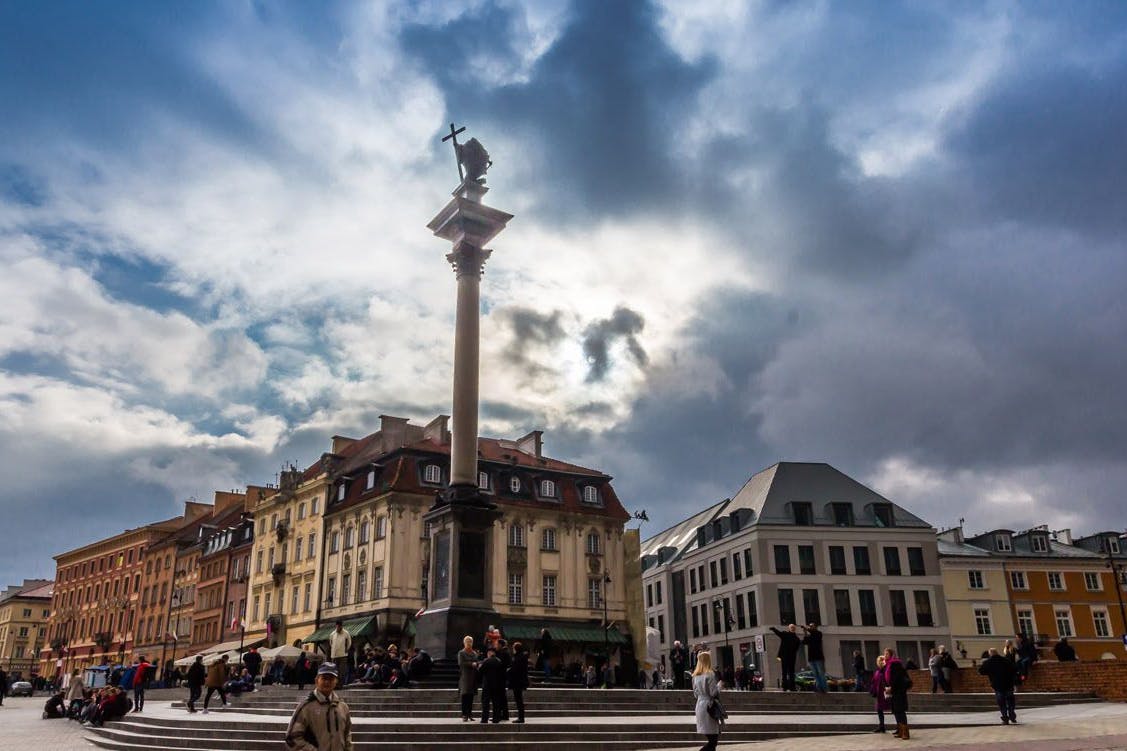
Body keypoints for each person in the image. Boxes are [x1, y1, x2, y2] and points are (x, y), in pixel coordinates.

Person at [285, 661, 352, 751]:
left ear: (336, 681)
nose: (327, 682)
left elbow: (347, 735)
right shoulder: (306, 707)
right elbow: (292, 738)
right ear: (317, 680)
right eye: (324, 678)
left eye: (331, 678)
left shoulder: (343, 707)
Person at [979, 647, 1019, 725]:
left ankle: (1005, 718)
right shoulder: (1005, 660)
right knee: (1010, 701)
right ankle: (1012, 715)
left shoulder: (988, 662)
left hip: (997, 685)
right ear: (997, 652)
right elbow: (1014, 669)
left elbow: (981, 671)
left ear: (990, 654)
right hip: (1008, 684)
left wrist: (990, 672)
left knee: (1001, 703)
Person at [692, 650, 722, 751]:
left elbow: (695, 694)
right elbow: (713, 693)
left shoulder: (696, 676)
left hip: (700, 705)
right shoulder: (710, 674)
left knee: (712, 738)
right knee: (713, 740)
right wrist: (719, 686)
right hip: (709, 706)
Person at [884, 648, 912, 740]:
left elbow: (897, 678)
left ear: (891, 655)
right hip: (893, 691)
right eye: (884, 654)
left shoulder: (895, 664)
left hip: (899, 691)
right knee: (896, 711)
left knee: (900, 711)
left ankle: (905, 732)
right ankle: (900, 730)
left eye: (887, 654)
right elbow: (888, 678)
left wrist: (891, 687)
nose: (885, 655)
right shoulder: (888, 665)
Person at [769, 624, 802, 691]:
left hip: (791, 657)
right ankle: (785, 686)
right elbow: (779, 633)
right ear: (789, 628)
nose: (792, 628)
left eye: (793, 627)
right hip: (785, 657)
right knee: (784, 672)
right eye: (791, 627)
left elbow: (796, 648)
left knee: (791, 672)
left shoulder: (797, 639)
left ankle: (792, 687)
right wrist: (774, 629)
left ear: (794, 629)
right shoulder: (785, 634)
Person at [478, 646, 505, 724]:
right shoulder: (499, 661)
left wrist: (479, 667)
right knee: (496, 702)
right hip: (497, 685)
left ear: (489, 653)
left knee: (485, 703)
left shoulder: (486, 661)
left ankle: (484, 719)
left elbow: (481, 671)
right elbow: (502, 673)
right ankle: (496, 718)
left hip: (487, 685)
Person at [801, 623, 827, 692]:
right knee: (815, 674)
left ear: (816, 627)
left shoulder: (818, 634)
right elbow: (804, 642)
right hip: (811, 658)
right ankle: (818, 688)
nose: (810, 627)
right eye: (810, 626)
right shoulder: (810, 636)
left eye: (812, 626)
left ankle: (824, 688)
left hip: (818, 657)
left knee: (821, 673)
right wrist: (805, 633)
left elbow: (814, 632)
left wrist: (807, 629)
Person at [457, 636, 478, 722]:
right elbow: (461, 663)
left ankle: (469, 714)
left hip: (473, 676)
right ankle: (464, 714)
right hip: (465, 677)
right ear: (464, 642)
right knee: (465, 696)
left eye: (470, 641)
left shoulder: (474, 653)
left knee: (471, 697)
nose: (469, 643)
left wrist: (476, 664)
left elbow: (476, 661)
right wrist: (471, 664)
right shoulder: (461, 653)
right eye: (467, 641)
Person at [508, 641, 529, 724]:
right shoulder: (522, 657)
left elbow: (515, 669)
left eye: (513, 647)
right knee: (519, 700)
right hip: (520, 681)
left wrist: (508, 671)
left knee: (519, 700)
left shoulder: (518, 657)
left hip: (517, 681)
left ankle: (521, 717)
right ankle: (521, 717)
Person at [869, 654, 891, 733]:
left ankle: (900, 726)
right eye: (879, 661)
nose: (880, 663)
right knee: (879, 710)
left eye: (881, 661)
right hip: (879, 694)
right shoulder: (878, 671)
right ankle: (882, 726)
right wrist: (873, 691)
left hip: (885, 693)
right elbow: (874, 682)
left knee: (893, 709)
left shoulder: (885, 670)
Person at [329, 621, 353, 686]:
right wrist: (334, 650)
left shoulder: (346, 633)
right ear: (336, 626)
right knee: (334, 671)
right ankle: (335, 684)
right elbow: (331, 643)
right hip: (334, 655)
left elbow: (349, 643)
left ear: (342, 626)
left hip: (343, 655)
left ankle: (340, 684)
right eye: (337, 626)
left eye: (340, 626)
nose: (338, 628)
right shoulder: (332, 634)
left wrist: (346, 650)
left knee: (342, 671)